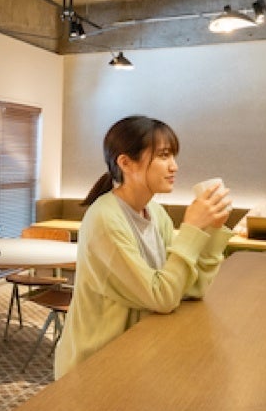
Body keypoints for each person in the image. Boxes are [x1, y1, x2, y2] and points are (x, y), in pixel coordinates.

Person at [55, 116, 235, 379]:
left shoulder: (155, 213)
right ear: (126, 163)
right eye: (163, 155)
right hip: (96, 364)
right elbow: (161, 298)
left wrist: (213, 230)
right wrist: (191, 229)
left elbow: (188, 288)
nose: (174, 166)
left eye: (173, 156)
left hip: (138, 352)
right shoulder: (104, 219)